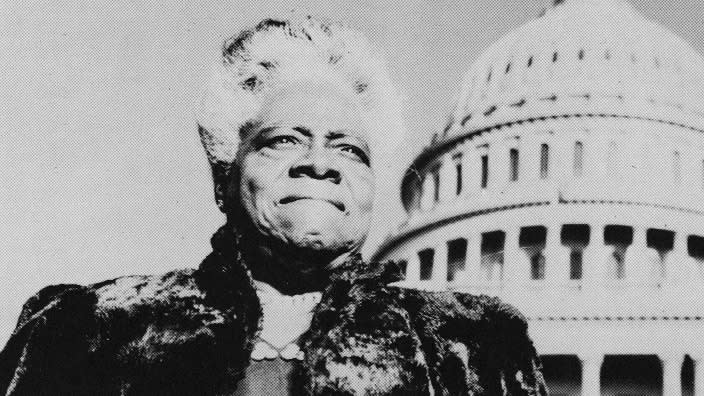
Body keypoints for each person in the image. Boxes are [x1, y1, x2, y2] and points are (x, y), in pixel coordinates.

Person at [0, 16, 547, 395]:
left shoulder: (476, 351)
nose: (319, 162)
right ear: (224, 176)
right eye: (284, 139)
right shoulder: (85, 334)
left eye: (348, 148)